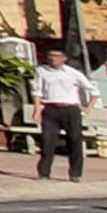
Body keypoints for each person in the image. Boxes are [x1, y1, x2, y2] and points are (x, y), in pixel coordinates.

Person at [32, 45, 92, 182]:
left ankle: (75, 173)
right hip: (51, 108)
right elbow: (37, 91)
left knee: (74, 141)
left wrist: (88, 107)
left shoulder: (72, 73)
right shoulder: (41, 71)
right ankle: (44, 173)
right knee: (48, 141)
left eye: (57, 56)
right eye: (51, 56)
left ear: (64, 58)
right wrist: (37, 109)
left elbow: (92, 89)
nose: (53, 59)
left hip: (70, 109)